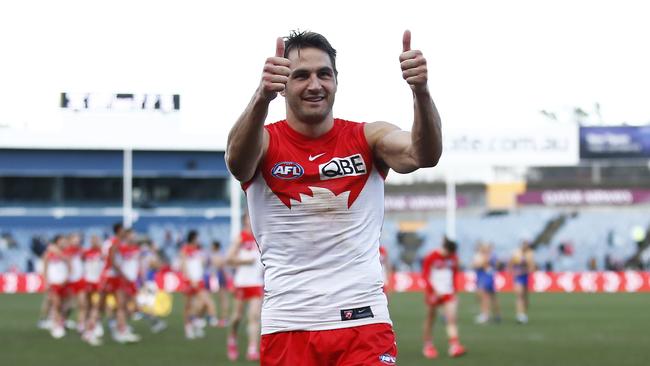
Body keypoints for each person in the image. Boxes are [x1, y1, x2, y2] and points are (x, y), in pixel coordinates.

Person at [225, 29, 442, 365]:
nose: (315, 85)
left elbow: (422, 154)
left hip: (364, 323)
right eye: (301, 76)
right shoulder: (264, 142)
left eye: (324, 74)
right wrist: (260, 98)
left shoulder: (369, 137)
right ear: (282, 84)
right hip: (288, 324)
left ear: (336, 81)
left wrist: (421, 93)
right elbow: (237, 163)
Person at [225, 215, 264, 361]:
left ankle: (252, 348)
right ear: (244, 220)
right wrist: (244, 261)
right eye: (248, 218)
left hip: (257, 282)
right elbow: (228, 258)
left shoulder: (260, 235)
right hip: (242, 282)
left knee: (254, 316)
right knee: (237, 317)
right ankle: (232, 338)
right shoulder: (241, 237)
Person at [421, 237, 466, 359]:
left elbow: (454, 275)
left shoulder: (453, 258)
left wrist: (455, 292)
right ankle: (428, 345)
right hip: (434, 293)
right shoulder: (431, 256)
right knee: (431, 319)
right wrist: (433, 290)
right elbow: (425, 275)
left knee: (451, 318)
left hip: (448, 292)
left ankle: (454, 346)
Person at [179, 230, 217, 339]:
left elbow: (203, 263)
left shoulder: (199, 250)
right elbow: (184, 264)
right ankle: (188, 327)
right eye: (197, 238)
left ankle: (196, 320)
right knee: (188, 305)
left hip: (199, 280)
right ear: (193, 238)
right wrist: (190, 280)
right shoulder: (185, 249)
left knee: (205, 302)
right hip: (189, 281)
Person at [42, 234, 70, 339]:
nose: (64, 242)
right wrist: (46, 281)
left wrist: (67, 278)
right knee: (56, 304)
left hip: (64, 282)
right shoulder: (49, 252)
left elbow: (69, 263)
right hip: (54, 282)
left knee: (65, 305)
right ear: (57, 241)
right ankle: (56, 325)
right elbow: (44, 267)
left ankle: (59, 322)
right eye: (62, 240)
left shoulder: (66, 252)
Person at [473, 242, 501, 324]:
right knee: (490, 297)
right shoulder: (488, 256)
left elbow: (480, 265)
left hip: (486, 277)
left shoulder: (488, 256)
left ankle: (486, 315)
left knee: (486, 296)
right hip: (485, 277)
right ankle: (496, 314)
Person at [509, 240, 536, 324]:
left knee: (525, 296)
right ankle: (520, 315)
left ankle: (524, 313)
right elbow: (511, 264)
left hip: (525, 276)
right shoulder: (516, 253)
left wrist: (524, 271)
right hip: (518, 277)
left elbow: (532, 267)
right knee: (519, 294)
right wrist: (513, 272)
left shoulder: (530, 254)